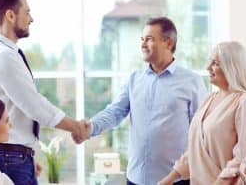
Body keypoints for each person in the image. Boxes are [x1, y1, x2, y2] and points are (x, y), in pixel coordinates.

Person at [74, 17, 207, 185]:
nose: (143, 44)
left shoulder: (192, 81)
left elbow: (201, 134)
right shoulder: (134, 79)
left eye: (149, 39)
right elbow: (114, 112)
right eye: (142, 39)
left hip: (175, 180)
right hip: (135, 178)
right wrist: (90, 127)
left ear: (168, 43)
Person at [0, 0, 87, 185]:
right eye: (27, 12)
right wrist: (75, 127)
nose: (31, 19)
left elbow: (19, 108)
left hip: (13, 155)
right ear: (10, 15)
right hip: (10, 157)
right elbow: (34, 105)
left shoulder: (1, 53)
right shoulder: (5, 56)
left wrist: (28, 155)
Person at [157, 41, 246, 185]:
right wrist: (169, 179)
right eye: (210, 61)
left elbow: (245, 158)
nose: (208, 67)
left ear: (232, 67)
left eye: (215, 63)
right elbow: (195, 151)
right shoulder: (209, 99)